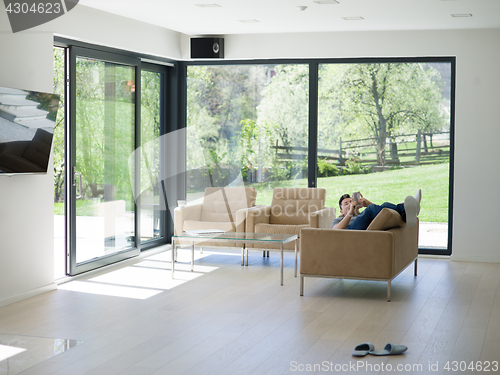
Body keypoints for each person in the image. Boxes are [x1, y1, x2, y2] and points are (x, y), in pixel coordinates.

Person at [331, 190, 421, 230]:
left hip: (363, 229)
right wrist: (350, 212)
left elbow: (381, 215)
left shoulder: (362, 215)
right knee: (371, 209)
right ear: (341, 211)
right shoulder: (338, 220)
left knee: (385, 205)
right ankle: (406, 208)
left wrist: (368, 203)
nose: (350, 204)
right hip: (350, 233)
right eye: (346, 204)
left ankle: (407, 213)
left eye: (351, 201)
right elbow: (335, 231)